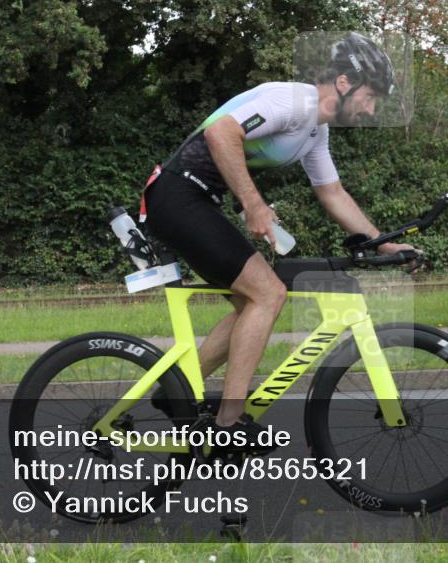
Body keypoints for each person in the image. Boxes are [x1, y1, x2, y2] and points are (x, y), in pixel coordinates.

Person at [142, 33, 416, 449]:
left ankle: (178, 390)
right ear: (344, 83)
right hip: (178, 195)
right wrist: (253, 204)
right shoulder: (293, 102)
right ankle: (229, 426)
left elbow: (332, 194)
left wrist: (382, 243)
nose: (371, 108)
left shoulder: (314, 132)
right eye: (371, 95)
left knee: (253, 303)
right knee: (268, 294)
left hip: (194, 200)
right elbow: (220, 133)